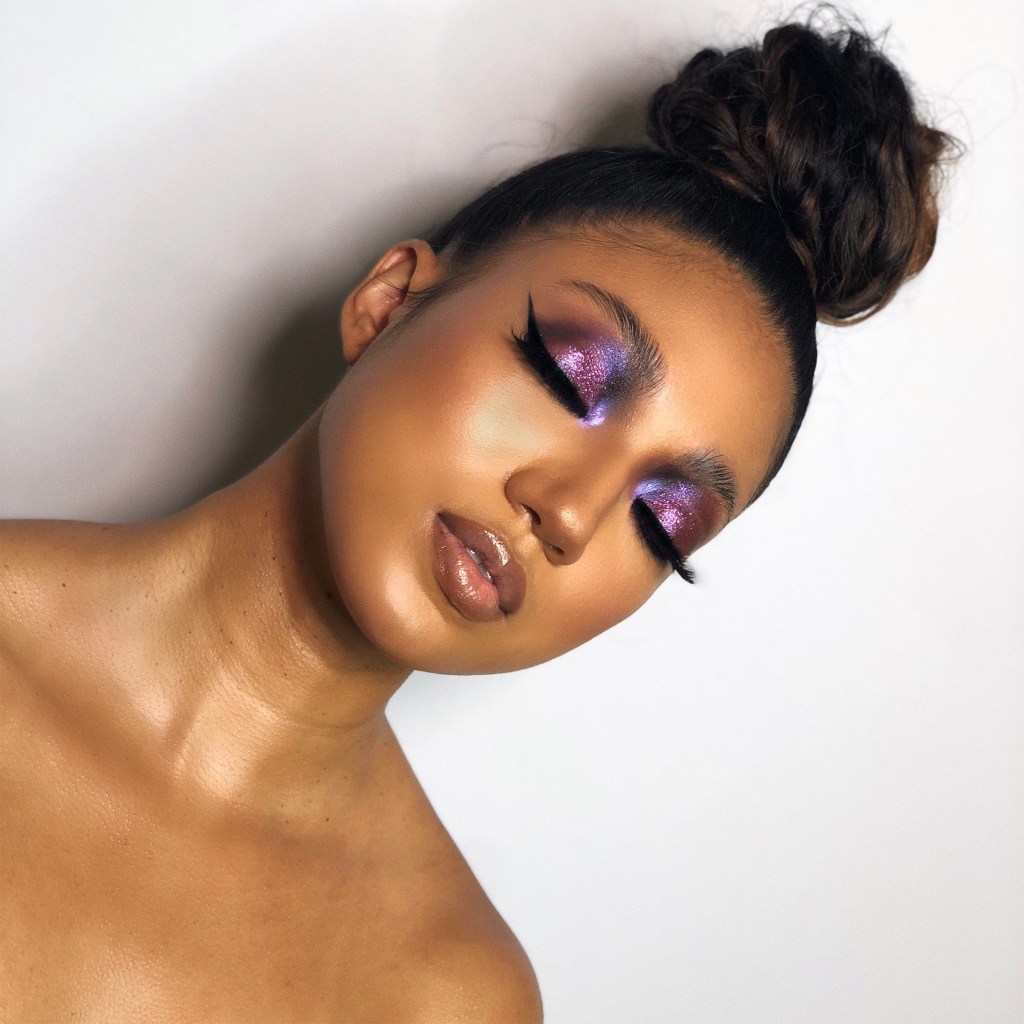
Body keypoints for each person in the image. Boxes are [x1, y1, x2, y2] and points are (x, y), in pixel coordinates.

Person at [0, 14, 955, 1022]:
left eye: (662, 521)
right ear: (389, 301)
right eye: (567, 375)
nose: (571, 513)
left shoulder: (448, 992)